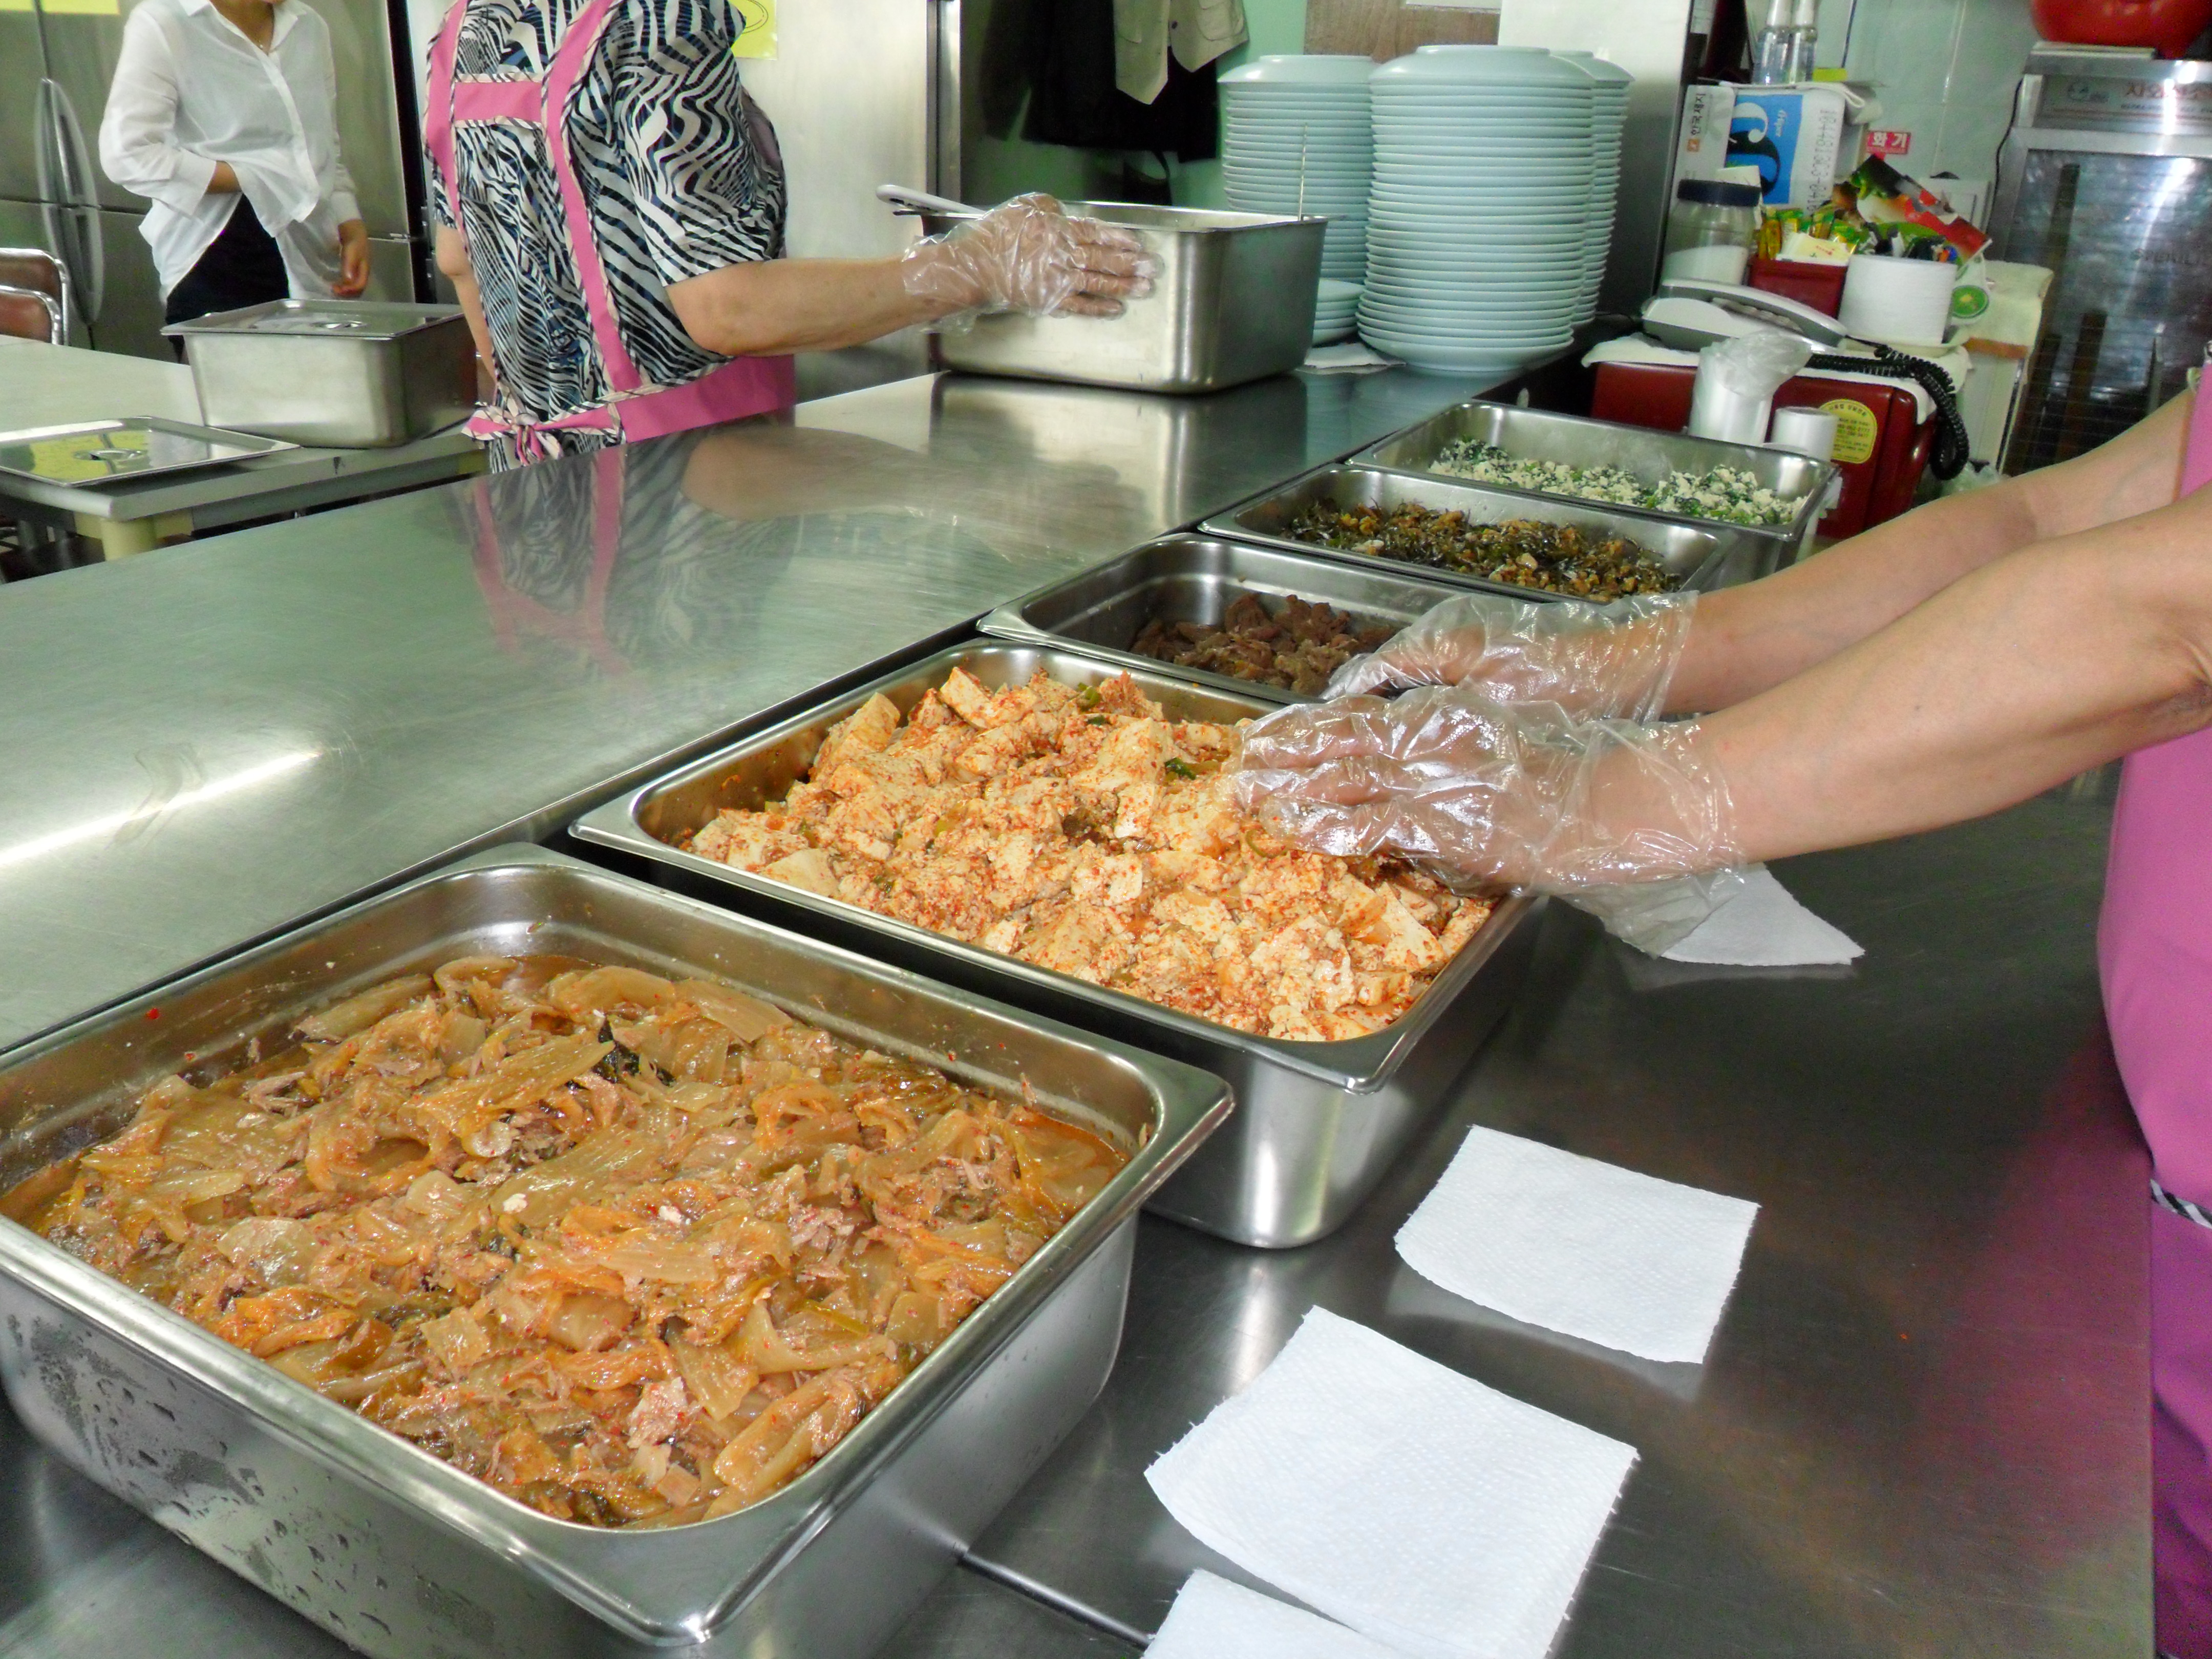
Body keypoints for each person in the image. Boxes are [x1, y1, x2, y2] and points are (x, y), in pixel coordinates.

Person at [1232, 382, 2212, 1653]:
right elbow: (2042, 523)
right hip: (2139, 1142)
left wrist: (1603, 800)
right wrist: (1603, 660)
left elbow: (2167, 618)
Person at [422, 0, 1152, 467]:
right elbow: (727, 309)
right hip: (685, 494)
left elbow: (459, 259)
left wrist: (557, 407)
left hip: (533, 492)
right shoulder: (659, 19)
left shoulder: (466, 26)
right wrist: (978, 266)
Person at [99, 0, 369, 342]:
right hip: (217, 256)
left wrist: (348, 220)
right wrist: (251, 177)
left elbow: (321, 142)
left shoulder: (308, 25)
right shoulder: (165, 22)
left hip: (312, 257)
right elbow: (128, 155)